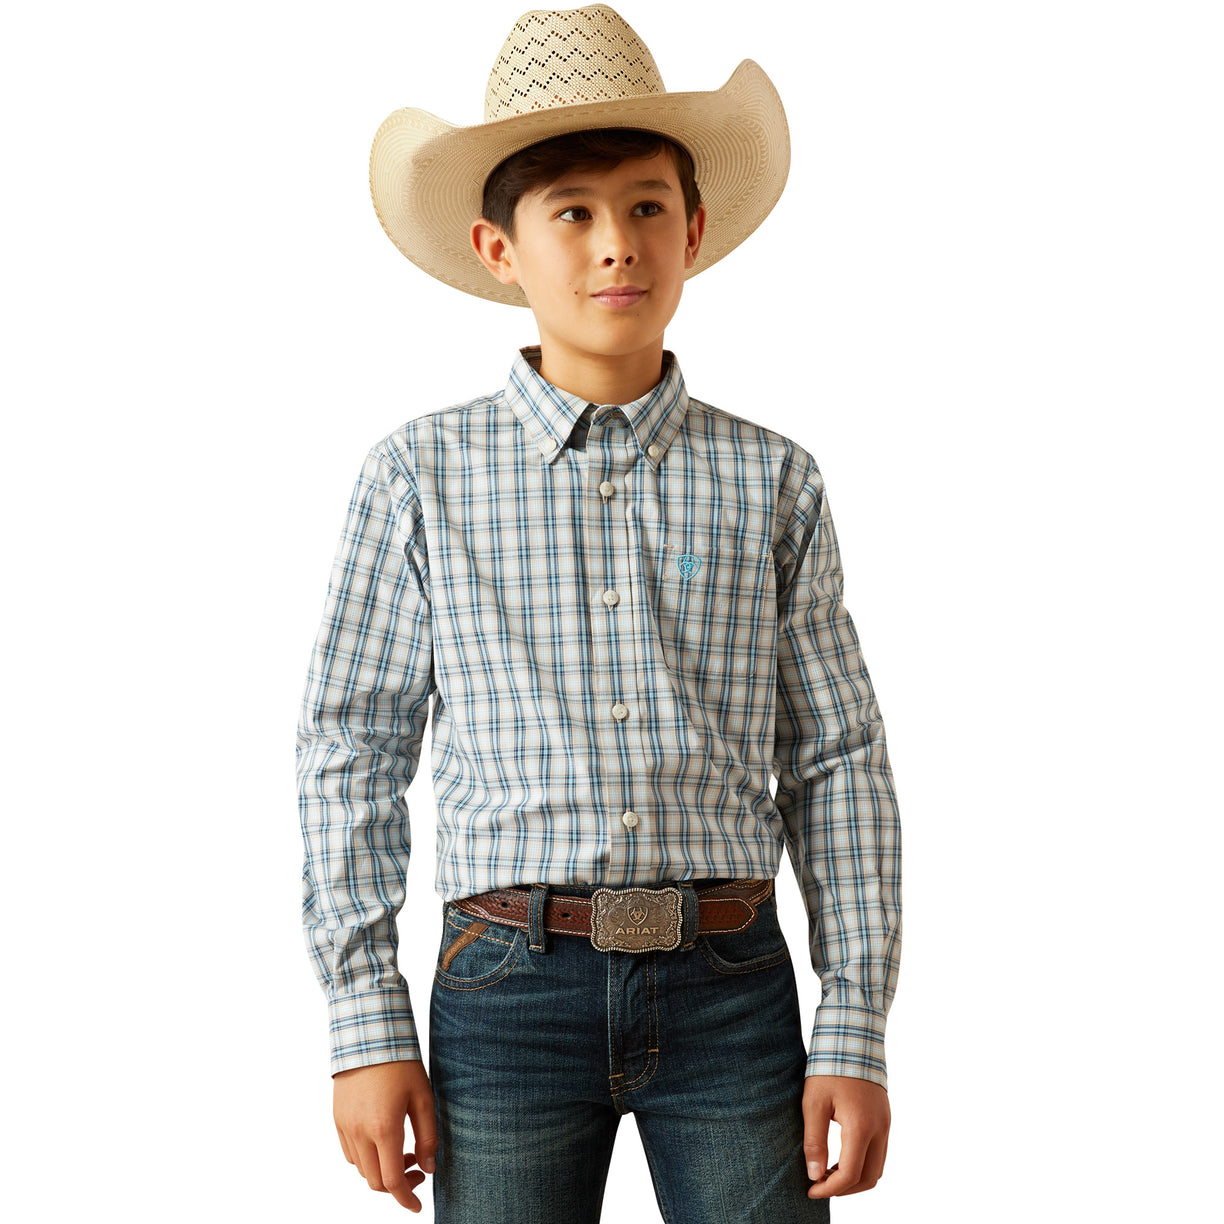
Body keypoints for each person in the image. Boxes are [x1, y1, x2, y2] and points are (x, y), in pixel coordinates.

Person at [296, 5, 902, 1220]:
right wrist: (365, 1023)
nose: (614, 244)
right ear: (498, 248)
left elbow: (836, 757)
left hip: (732, 987)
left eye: (642, 206)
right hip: (505, 987)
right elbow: (349, 748)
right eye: (571, 212)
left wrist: (854, 1021)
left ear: (695, 227)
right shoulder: (419, 477)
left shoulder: (773, 479)